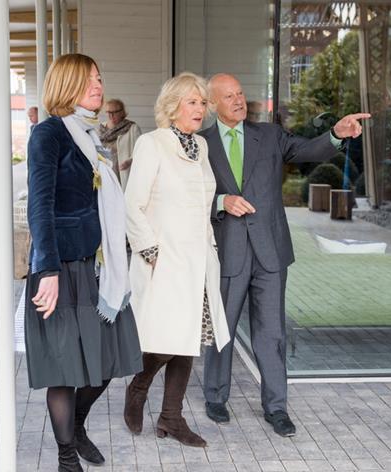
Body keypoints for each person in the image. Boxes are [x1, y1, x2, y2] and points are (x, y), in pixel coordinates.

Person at [201, 73, 370, 437]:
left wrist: (337, 134)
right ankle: (215, 396)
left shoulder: (271, 136)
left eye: (241, 93)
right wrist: (220, 201)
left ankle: (276, 407)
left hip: (271, 252)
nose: (238, 100)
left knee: (272, 332)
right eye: (228, 96)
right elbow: (185, 195)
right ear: (213, 104)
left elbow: (308, 149)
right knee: (222, 328)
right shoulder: (201, 145)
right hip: (227, 252)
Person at [25, 53, 142, 471]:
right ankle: (66, 455)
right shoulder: (50, 134)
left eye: (99, 76)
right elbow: (39, 207)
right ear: (68, 84)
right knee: (63, 367)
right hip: (61, 269)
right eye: (91, 78)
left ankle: (76, 425)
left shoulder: (90, 135)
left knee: (109, 360)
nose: (99, 84)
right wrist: (49, 270)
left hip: (96, 268)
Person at [123, 72, 230, 448]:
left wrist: (211, 248)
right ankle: (139, 387)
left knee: (189, 340)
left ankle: (171, 419)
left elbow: (201, 205)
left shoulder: (200, 146)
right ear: (173, 107)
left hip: (198, 259)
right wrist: (150, 250)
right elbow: (132, 203)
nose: (200, 108)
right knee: (165, 339)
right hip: (165, 259)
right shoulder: (153, 144)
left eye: (203, 102)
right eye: (192, 102)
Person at [99, 98, 141, 190]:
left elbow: (140, 152)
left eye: (115, 112)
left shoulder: (132, 128)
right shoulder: (102, 128)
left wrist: (130, 161)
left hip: (123, 172)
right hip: (106, 173)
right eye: (108, 112)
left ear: (122, 112)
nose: (111, 116)